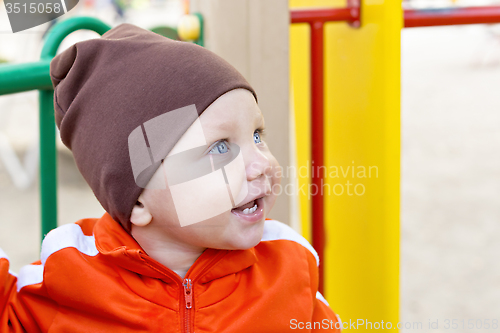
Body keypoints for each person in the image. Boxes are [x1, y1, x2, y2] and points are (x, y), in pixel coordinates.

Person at [0, 23, 342, 332]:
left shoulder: (289, 268)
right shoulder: (64, 279)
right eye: (220, 148)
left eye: (256, 135)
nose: (262, 163)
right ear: (137, 201)